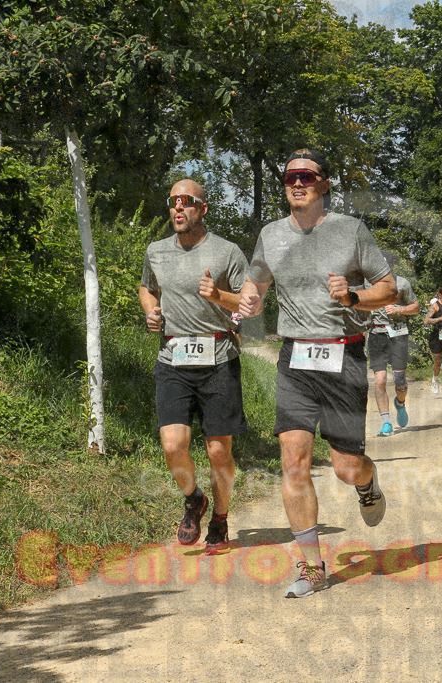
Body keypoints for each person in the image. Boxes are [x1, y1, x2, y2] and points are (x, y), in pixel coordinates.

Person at [238, 148, 397, 598]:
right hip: (295, 359)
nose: (297, 182)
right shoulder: (271, 234)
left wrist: (353, 297)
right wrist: (248, 299)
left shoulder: (351, 230)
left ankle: (367, 481)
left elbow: (388, 289)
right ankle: (312, 567)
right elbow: (256, 283)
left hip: (344, 357)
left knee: (346, 468)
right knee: (294, 462)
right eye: (290, 176)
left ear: (324, 184)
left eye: (307, 176)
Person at [139, 179, 248, 552]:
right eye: (172, 201)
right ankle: (193, 498)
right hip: (173, 358)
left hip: (218, 359)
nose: (177, 208)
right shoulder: (156, 251)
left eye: (185, 201)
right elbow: (147, 287)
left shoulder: (227, 251)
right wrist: (151, 310)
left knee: (218, 451)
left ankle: (220, 518)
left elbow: (249, 303)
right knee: (173, 446)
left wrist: (218, 295)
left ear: (202, 208)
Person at [367, 251, 421, 437]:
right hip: (377, 334)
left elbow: (416, 307)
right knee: (380, 380)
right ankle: (386, 422)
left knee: (400, 381)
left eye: (386, 266)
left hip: (398, 334)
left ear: (392, 265)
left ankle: (400, 403)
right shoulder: (368, 284)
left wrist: (400, 309)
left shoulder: (402, 283)